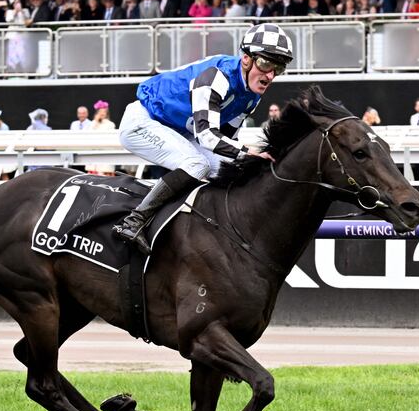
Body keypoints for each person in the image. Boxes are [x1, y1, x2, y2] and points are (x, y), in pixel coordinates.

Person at [113, 23, 293, 254]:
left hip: (179, 131)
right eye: (265, 63)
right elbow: (208, 137)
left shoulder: (251, 97)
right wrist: (248, 153)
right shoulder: (216, 77)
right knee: (197, 164)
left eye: (278, 68)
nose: (270, 75)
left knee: (228, 169)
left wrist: (246, 160)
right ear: (246, 58)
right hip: (144, 121)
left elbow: (226, 140)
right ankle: (133, 222)